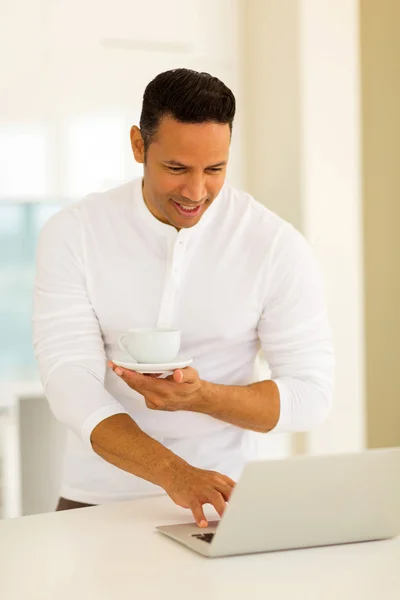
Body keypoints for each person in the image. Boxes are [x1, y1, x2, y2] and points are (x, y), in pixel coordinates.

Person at [33, 68, 334, 527]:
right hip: (95, 501)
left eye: (214, 170)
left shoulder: (274, 244)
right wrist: (174, 473)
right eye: (176, 168)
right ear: (139, 145)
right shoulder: (74, 232)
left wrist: (199, 397)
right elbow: (69, 381)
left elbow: (310, 395)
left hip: (221, 504)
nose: (196, 192)